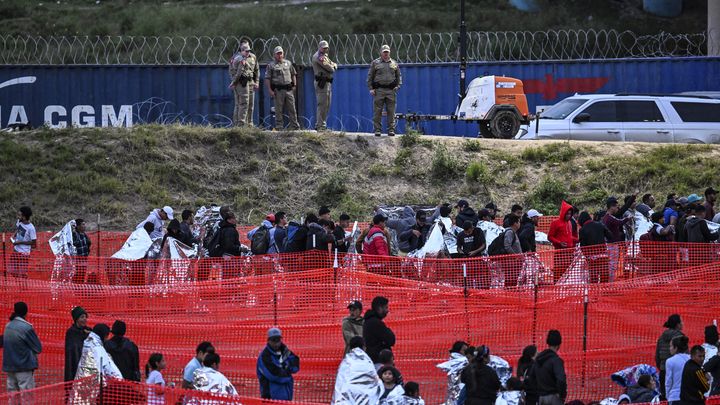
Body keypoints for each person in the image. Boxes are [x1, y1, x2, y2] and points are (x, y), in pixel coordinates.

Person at [2, 302, 42, 392]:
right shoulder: (26, 327)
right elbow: (38, 348)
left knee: (12, 396)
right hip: (24, 367)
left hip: (10, 367)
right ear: (25, 312)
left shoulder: (8, 326)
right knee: (26, 396)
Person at [332, 336, 383, 404]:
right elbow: (374, 379)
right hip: (365, 398)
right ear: (364, 347)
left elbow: (340, 382)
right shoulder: (367, 362)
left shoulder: (345, 362)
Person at [367, 44, 402, 137]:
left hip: (391, 91)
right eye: (384, 52)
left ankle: (391, 130)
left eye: (387, 52)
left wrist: (398, 86)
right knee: (377, 111)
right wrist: (371, 88)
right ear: (381, 53)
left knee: (391, 111)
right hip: (379, 90)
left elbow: (399, 76)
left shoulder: (394, 63)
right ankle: (377, 130)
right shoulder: (375, 63)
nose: (386, 54)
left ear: (389, 52)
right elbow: (370, 76)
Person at [257, 327, 300, 400]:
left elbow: (296, 365)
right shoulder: (264, 356)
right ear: (268, 340)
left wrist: (285, 368)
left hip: (287, 397)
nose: (276, 343)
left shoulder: (285, 351)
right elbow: (274, 375)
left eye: (278, 340)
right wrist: (288, 373)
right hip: (270, 399)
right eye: (273, 340)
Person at [527, 330, 566, 405]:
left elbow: (531, 378)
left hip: (541, 398)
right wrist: (562, 395)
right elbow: (561, 380)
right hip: (554, 397)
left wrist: (538, 392)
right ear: (559, 345)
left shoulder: (538, 360)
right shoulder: (556, 360)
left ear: (548, 343)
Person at [265, 46, 300, 130]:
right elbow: (267, 78)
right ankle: (279, 126)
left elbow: (293, 74)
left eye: (281, 53)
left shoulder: (288, 63)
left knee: (292, 108)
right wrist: (270, 90)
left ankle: (294, 125)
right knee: (278, 109)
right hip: (278, 90)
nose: (279, 55)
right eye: (278, 54)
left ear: (283, 54)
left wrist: (294, 85)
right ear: (274, 55)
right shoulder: (271, 65)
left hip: (288, 89)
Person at [578, 211, 613, 283]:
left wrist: (586, 256)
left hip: (592, 258)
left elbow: (582, 246)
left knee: (594, 279)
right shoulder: (600, 224)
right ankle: (604, 293)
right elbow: (610, 236)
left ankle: (595, 293)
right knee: (604, 277)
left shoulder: (582, 230)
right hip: (603, 256)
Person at [656, 314, 685, 399]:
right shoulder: (681, 337)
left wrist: (662, 367)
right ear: (677, 324)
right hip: (678, 372)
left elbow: (657, 357)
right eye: (681, 321)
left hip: (663, 372)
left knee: (665, 398)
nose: (683, 323)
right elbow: (685, 356)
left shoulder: (661, 338)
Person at [547, 201, 577, 282]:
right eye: (567, 214)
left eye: (570, 214)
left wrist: (577, 240)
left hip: (570, 252)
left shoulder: (570, 223)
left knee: (569, 273)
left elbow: (569, 236)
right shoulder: (555, 223)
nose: (569, 216)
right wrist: (559, 243)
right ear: (563, 213)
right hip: (560, 252)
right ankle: (556, 286)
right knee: (558, 272)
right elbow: (550, 237)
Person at [312, 40, 337, 131]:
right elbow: (331, 68)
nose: (325, 49)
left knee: (327, 105)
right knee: (322, 104)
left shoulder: (324, 56)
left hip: (327, 83)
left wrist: (333, 65)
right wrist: (333, 66)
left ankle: (322, 124)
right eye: (324, 48)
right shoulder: (318, 57)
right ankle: (320, 125)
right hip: (321, 83)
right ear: (319, 47)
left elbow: (333, 64)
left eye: (326, 48)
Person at [229, 43, 257, 126]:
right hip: (241, 83)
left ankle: (245, 124)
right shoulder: (240, 59)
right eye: (246, 51)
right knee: (243, 104)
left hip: (247, 82)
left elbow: (255, 70)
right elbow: (238, 72)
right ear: (242, 51)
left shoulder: (248, 57)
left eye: (249, 51)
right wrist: (233, 82)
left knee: (247, 104)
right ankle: (240, 124)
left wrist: (256, 82)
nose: (248, 53)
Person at [363, 296, 395, 366]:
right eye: (386, 307)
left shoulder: (369, 321)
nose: (387, 310)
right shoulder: (376, 323)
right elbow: (391, 339)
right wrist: (388, 330)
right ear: (379, 308)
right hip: (379, 362)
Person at [437, 340, 470, 405]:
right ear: (458, 351)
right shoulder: (462, 362)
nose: (467, 353)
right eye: (465, 351)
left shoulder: (454, 361)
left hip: (453, 396)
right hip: (459, 395)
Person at [65, 306, 91, 382]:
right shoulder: (71, 332)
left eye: (85, 317)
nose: (84, 319)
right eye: (82, 317)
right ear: (76, 319)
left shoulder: (89, 331)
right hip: (75, 364)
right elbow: (70, 352)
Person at [9, 206, 36, 278]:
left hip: (24, 254)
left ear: (24, 217)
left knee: (22, 274)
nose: (18, 217)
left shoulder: (31, 228)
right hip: (16, 251)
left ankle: (23, 287)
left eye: (19, 215)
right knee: (12, 272)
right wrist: (13, 236)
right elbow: (18, 229)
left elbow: (33, 243)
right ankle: (17, 286)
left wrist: (20, 242)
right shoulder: (19, 222)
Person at [666, 335, 691, 404]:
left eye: (671, 346)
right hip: (690, 396)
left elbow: (668, 382)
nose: (669, 348)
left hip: (675, 397)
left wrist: (668, 396)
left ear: (676, 348)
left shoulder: (670, 361)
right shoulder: (691, 359)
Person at [72, 218, 92, 283]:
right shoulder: (75, 235)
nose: (84, 226)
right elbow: (73, 246)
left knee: (82, 275)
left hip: (84, 259)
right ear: (78, 226)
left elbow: (87, 245)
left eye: (84, 224)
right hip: (77, 260)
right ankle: (75, 288)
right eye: (83, 224)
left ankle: (79, 289)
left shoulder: (85, 235)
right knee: (78, 275)